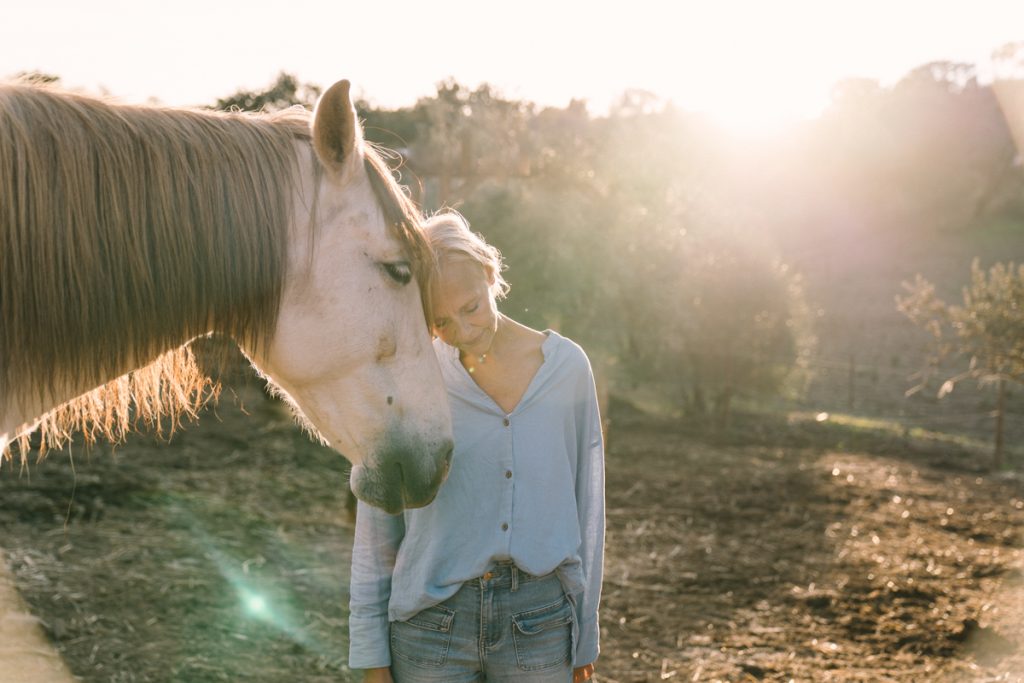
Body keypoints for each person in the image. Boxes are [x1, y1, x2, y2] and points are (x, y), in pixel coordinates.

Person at [348, 211, 605, 683]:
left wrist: (584, 632)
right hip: (430, 630)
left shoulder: (567, 369)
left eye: (471, 308)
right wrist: (370, 655)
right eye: (441, 322)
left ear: (491, 275)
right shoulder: (408, 378)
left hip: (541, 625)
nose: (463, 332)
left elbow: (587, 507)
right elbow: (378, 525)